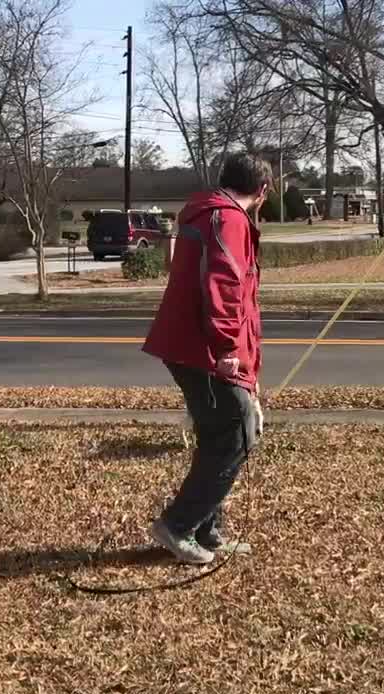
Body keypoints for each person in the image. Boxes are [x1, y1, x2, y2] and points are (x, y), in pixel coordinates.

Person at [141, 153, 270, 565]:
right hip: (205, 351)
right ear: (263, 192)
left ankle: (206, 531)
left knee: (221, 435)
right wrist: (228, 349)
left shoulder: (207, 214)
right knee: (236, 433)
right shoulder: (228, 220)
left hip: (194, 347)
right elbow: (224, 285)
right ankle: (178, 526)